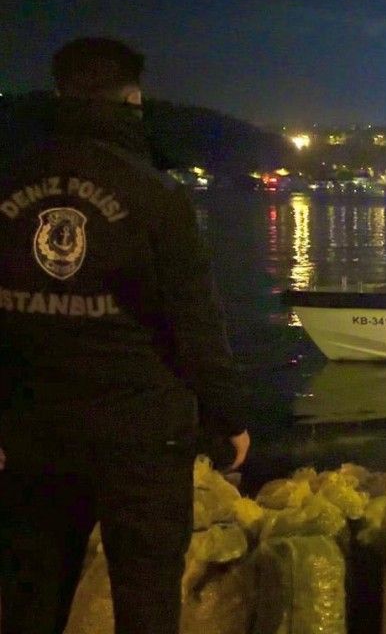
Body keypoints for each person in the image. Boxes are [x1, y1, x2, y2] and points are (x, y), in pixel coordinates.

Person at [0, 38, 251, 633]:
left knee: (31, 595)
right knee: (146, 597)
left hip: (33, 426)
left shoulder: (9, 181)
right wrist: (229, 417)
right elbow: (195, 322)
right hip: (141, 434)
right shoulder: (155, 195)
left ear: (60, 93)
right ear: (133, 100)